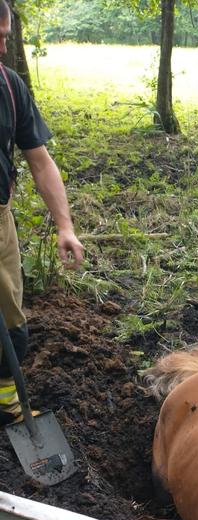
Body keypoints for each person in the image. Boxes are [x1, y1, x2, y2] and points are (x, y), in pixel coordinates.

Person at [0, 0, 83, 425]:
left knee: (12, 324)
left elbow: (40, 160)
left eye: (4, 39)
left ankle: (5, 407)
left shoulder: (10, 87)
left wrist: (64, 226)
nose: (0, 47)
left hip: (0, 221)